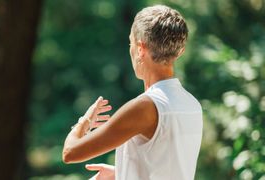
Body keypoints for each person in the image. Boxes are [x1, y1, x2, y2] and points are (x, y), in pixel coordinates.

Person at [63, 4, 203, 180]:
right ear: (180, 51)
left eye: (130, 42)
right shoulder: (192, 104)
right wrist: (120, 173)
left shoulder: (145, 107)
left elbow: (70, 152)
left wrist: (85, 122)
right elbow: (168, 167)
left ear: (140, 49)